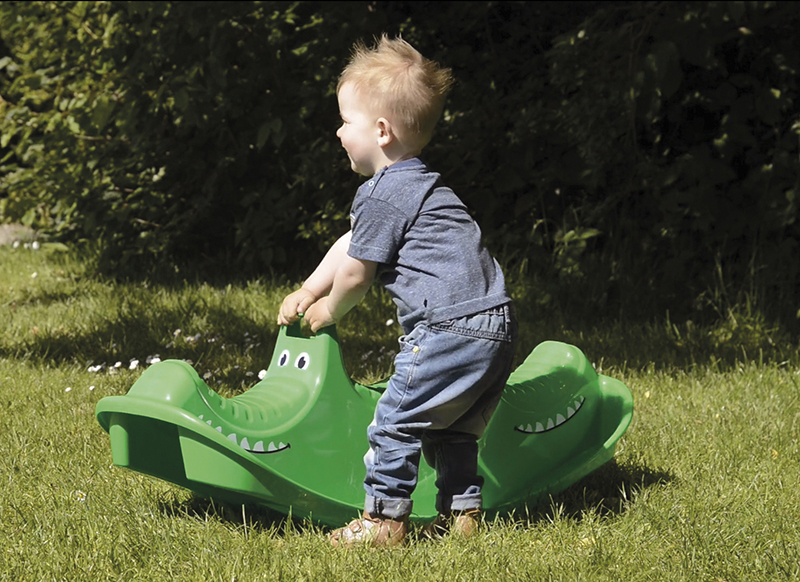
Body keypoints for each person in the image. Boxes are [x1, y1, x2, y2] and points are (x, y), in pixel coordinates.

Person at [277, 35, 517, 547]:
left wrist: (330, 309)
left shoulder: (385, 193)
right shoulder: (421, 186)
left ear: (381, 131)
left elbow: (358, 272)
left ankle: (383, 522)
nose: (339, 132)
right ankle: (462, 515)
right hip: (495, 323)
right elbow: (351, 244)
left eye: (346, 122)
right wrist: (308, 287)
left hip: (448, 325)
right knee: (450, 428)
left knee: (394, 420)